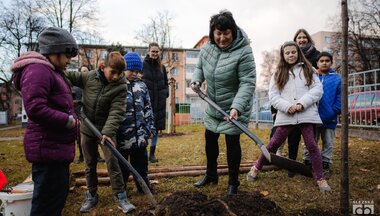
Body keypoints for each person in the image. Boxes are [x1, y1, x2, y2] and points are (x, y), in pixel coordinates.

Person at [10, 27, 79, 215]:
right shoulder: (38, 70)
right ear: (55, 51)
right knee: (47, 204)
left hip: (55, 149)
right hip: (47, 149)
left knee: (55, 199)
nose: (69, 61)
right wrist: (68, 121)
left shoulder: (51, 71)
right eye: (67, 55)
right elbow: (35, 108)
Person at [246, 41, 331, 192]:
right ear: (283, 55)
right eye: (287, 53)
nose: (291, 55)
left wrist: (302, 104)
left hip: (306, 114)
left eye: (293, 52)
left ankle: (320, 178)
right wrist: (287, 107)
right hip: (287, 115)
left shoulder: (308, 69)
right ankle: (256, 167)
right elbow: (273, 95)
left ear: (298, 53)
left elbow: (318, 89)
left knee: (312, 145)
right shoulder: (278, 73)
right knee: (273, 144)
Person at [191, 10, 256, 195]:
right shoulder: (207, 48)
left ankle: (233, 183)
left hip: (234, 106)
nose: (222, 38)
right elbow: (200, 67)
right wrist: (197, 79)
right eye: (218, 33)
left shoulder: (244, 51)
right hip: (213, 104)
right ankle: (211, 175)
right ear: (212, 33)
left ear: (233, 32)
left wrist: (237, 107)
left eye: (226, 33)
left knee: (232, 142)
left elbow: (248, 82)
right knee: (210, 140)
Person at [65, 51, 135, 214]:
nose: (117, 76)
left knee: (113, 162)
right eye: (113, 72)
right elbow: (64, 76)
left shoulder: (121, 86)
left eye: (120, 73)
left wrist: (108, 132)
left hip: (106, 131)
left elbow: (117, 111)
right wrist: (70, 94)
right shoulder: (89, 77)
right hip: (87, 129)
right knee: (89, 164)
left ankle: (120, 195)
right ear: (103, 67)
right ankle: (91, 194)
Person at [274, 28, 322, 177]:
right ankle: (292, 165)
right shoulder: (281, 69)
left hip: (307, 108)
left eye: (303, 37)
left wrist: (302, 103)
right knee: (291, 139)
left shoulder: (313, 60)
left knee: (311, 142)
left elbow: (317, 86)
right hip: (289, 109)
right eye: (298, 38)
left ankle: (314, 169)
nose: (301, 40)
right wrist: (282, 107)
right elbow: (276, 92)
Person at [117, 52, 156, 202]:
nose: (134, 74)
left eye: (137, 71)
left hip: (140, 136)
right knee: (122, 167)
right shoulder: (117, 85)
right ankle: (122, 190)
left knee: (141, 164)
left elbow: (148, 108)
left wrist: (150, 127)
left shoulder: (142, 86)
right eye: (131, 70)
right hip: (122, 137)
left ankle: (142, 186)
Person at [303, 52, 341, 175]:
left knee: (328, 142)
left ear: (331, 62)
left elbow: (340, 97)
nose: (324, 62)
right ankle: (307, 162)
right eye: (322, 61)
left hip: (329, 117)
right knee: (311, 140)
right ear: (317, 63)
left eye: (327, 60)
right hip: (313, 116)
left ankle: (325, 163)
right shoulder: (313, 77)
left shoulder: (337, 78)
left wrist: (334, 110)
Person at [142, 42, 169, 163]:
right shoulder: (143, 66)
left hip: (159, 102)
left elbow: (165, 82)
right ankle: (142, 152)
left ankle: (152, 154)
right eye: (153, 51)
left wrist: (165, 93)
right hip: (146, 102)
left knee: (156, 128)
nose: (155, 53)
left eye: (157, 51)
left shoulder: (162, 67)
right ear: (148, 51)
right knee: (144, 127)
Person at [73, 65, 105, 164]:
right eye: (82, 71)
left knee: (96, 137)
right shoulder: (76, 88)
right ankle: (82, 156)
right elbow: (75, 103)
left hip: (91, 117)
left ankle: (97, 156)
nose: (84, 73)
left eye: (86, 71)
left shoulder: (92, 84)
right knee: (81, 139)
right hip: (80, 117)